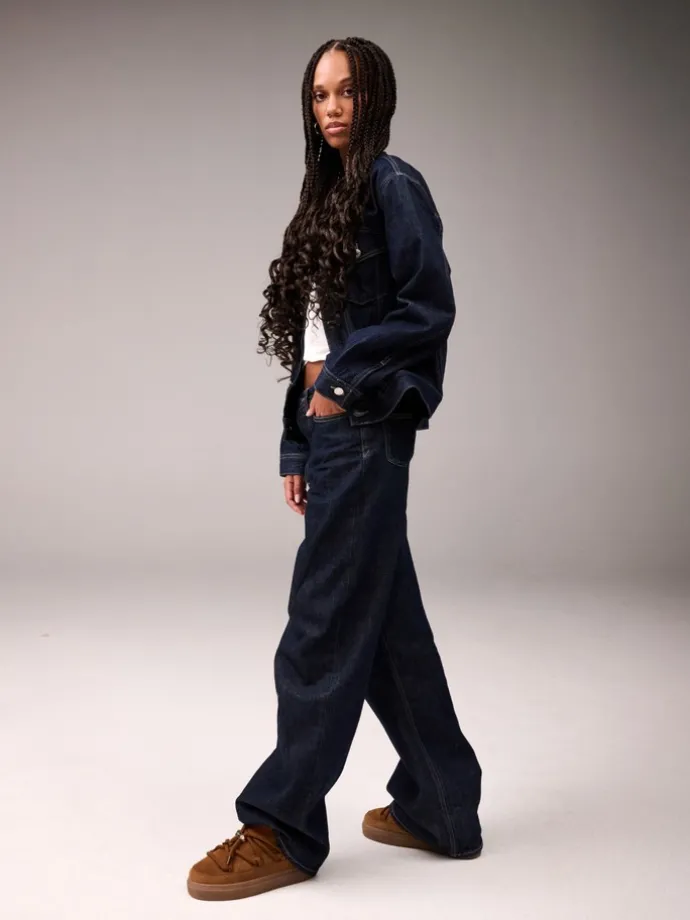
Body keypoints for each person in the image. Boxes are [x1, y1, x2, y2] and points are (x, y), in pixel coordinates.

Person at [187, 36, 483, 902]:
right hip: (330, 434)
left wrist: (341, 390)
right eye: (319, 96)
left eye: (347, 92)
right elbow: (314, 336)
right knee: (386, 628)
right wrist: (296, 439)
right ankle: (442, 806)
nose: (332, 108)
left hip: (364, 426)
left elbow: (428, 307)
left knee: (319, 630)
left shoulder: (394, 184)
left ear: (375, 96)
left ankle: (281, 826)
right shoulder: (328, 196)